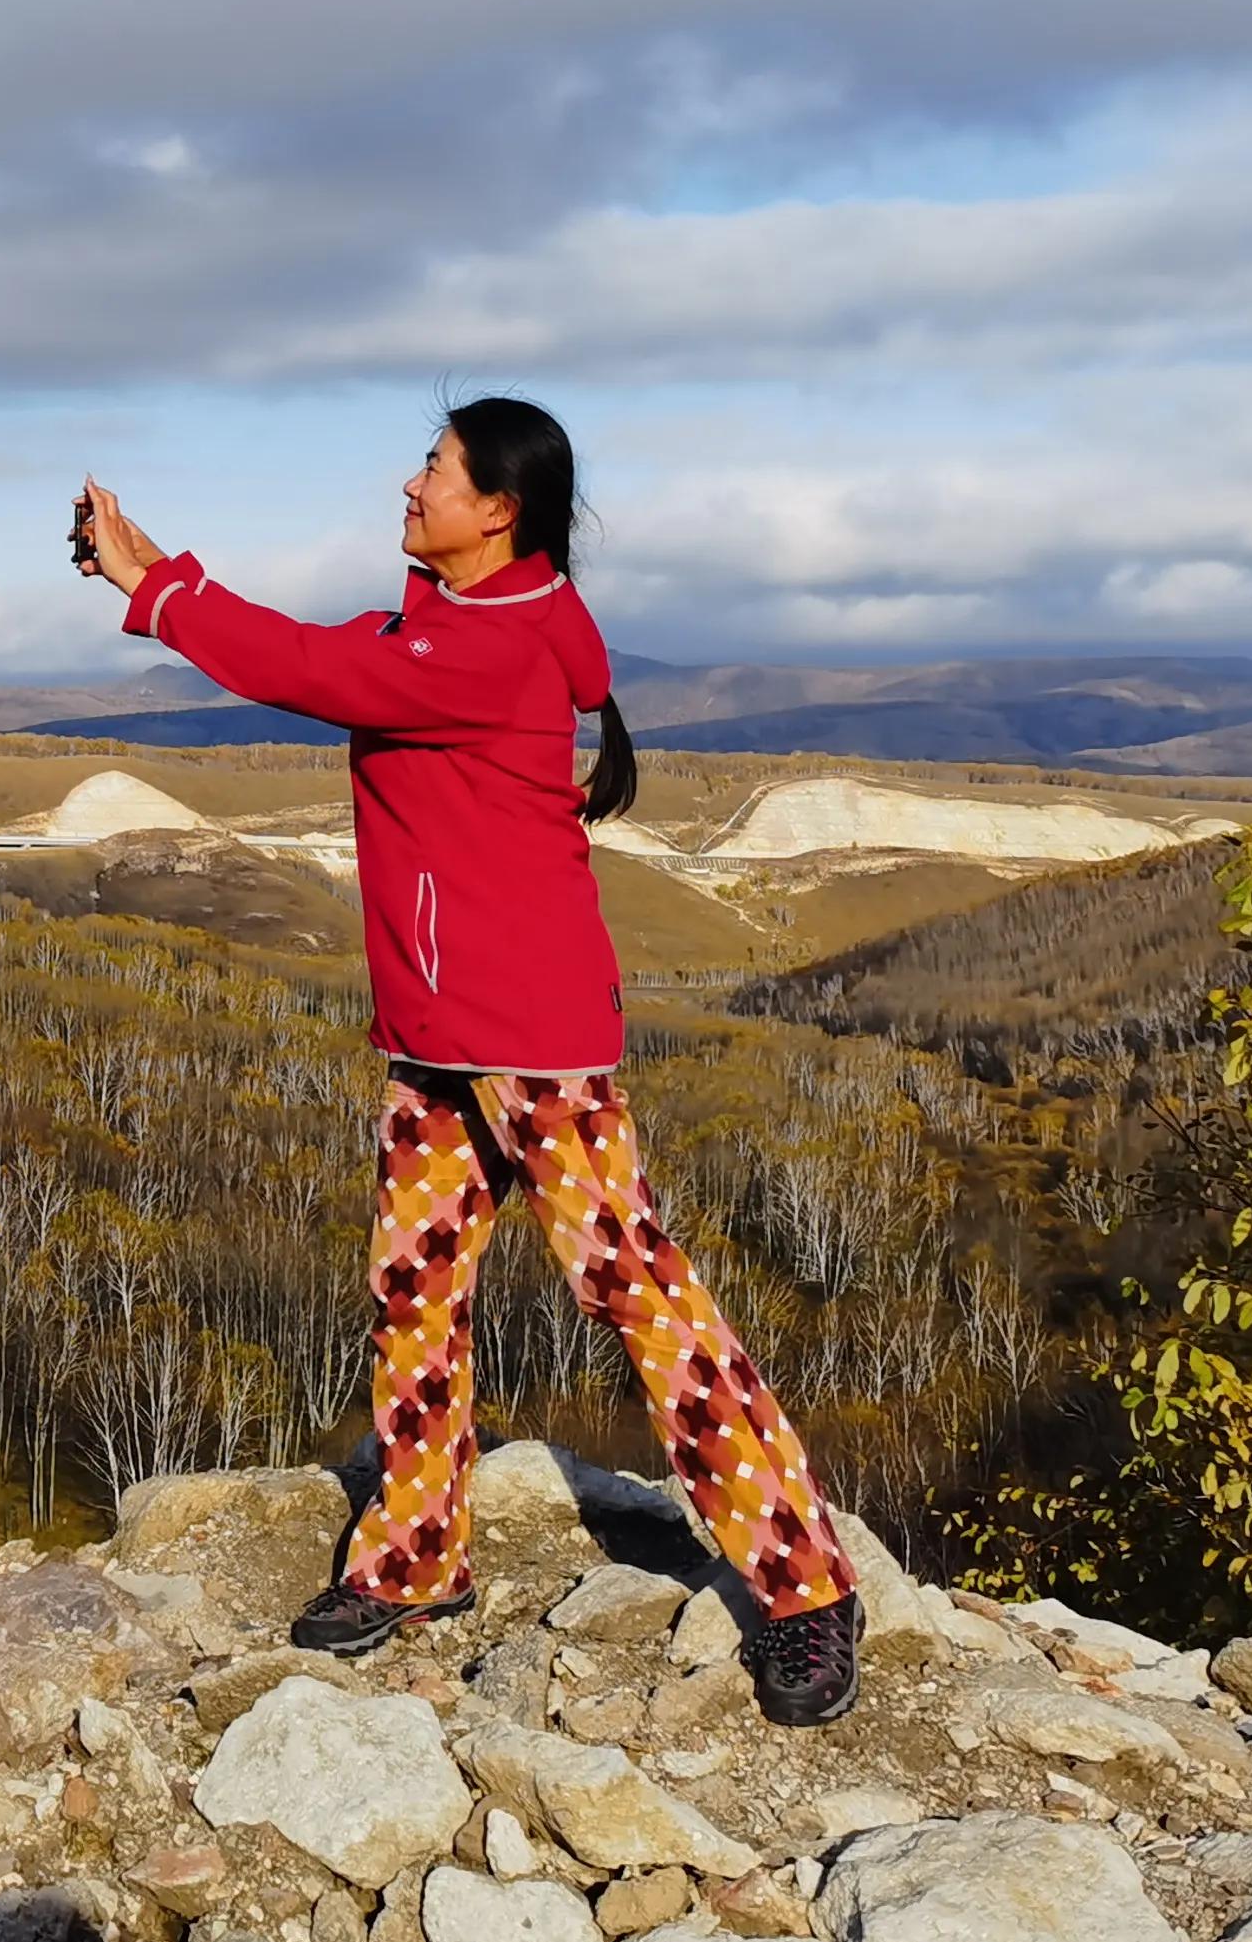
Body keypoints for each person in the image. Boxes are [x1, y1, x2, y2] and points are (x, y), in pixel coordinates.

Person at [72, 396, 862, 1727]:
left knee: (637, 1295)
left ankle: (801, 1588)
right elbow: (333, 649)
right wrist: (163, 577)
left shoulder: (490, 654)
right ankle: (415, 1559)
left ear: (497, 509)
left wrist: (159, 583)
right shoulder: (447, 623)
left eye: (432, 468)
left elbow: (305, 672)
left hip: (536, 1043)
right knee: (414, 1287)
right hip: (439, 1036)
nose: (409, 482)